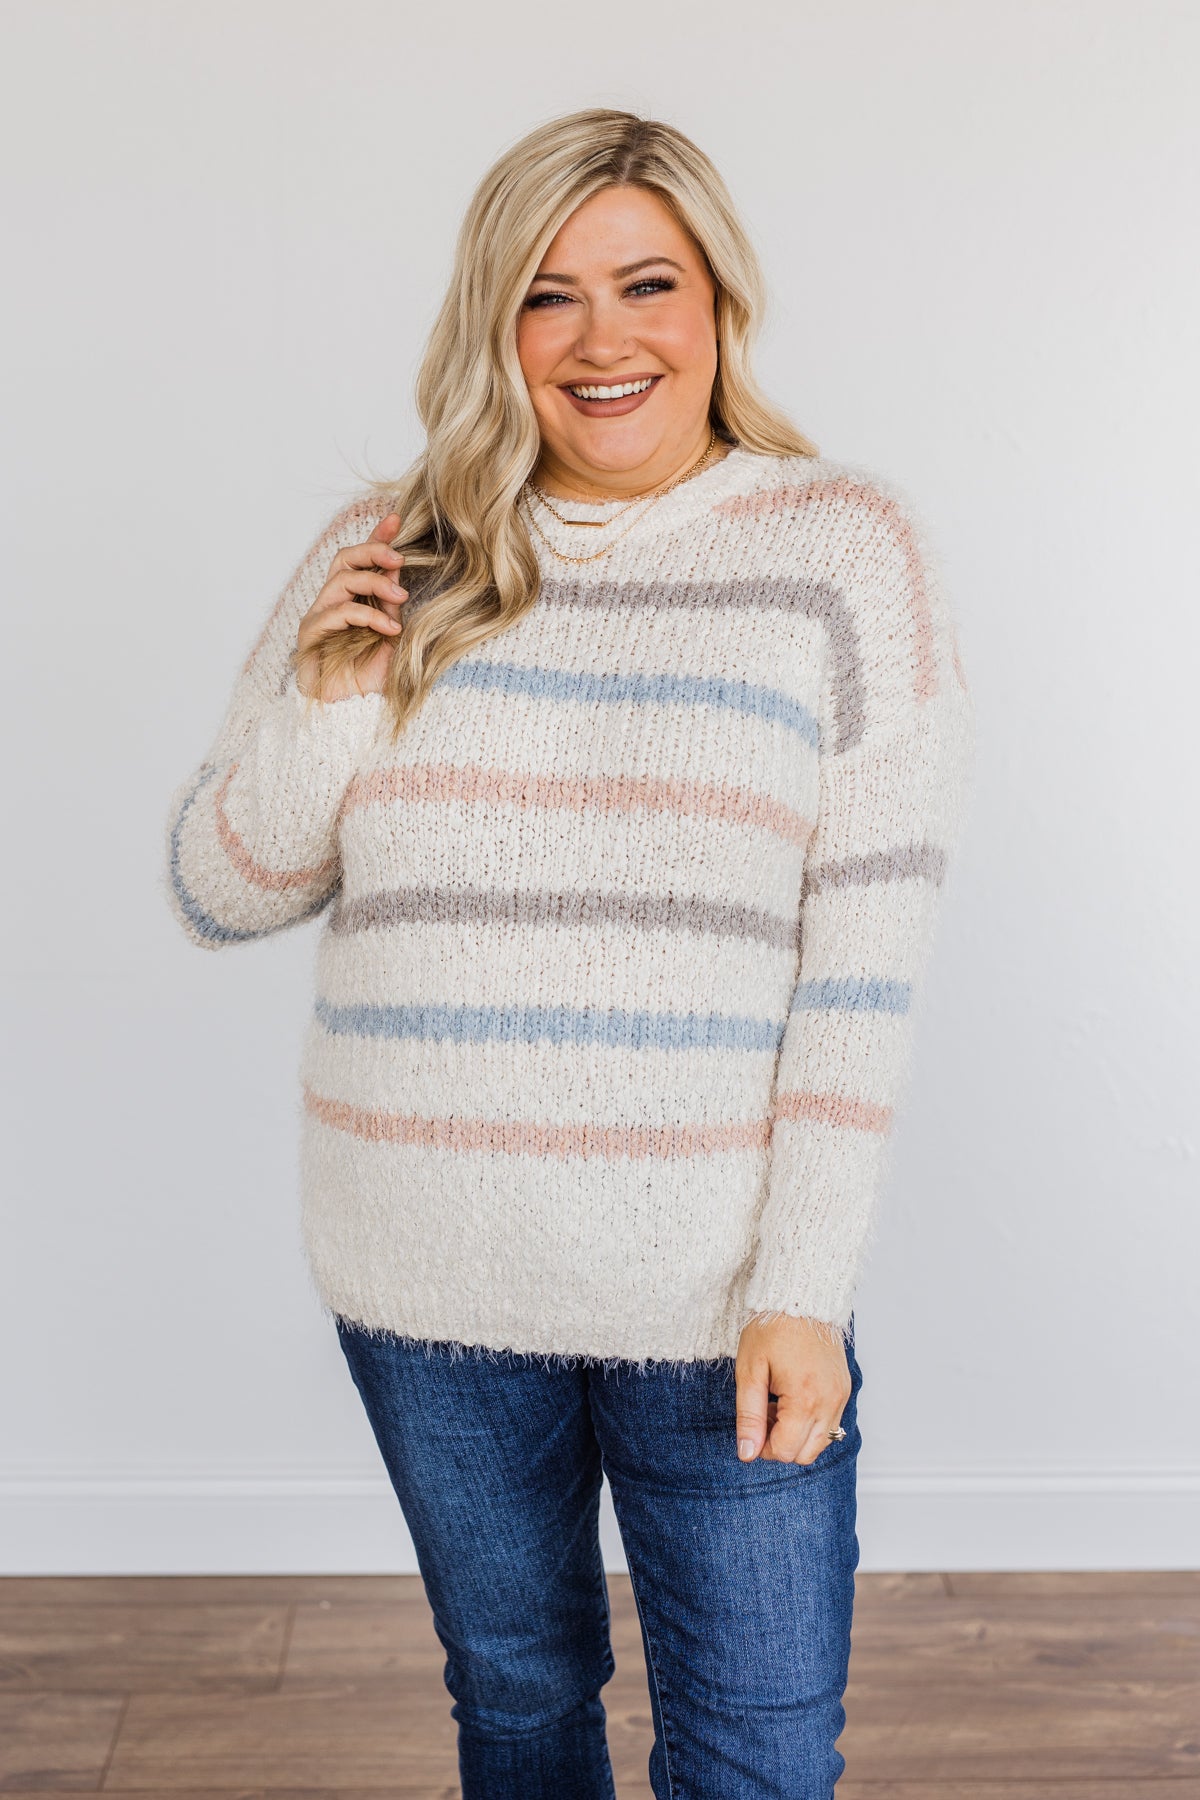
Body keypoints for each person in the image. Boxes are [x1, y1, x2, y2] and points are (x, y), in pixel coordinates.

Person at [164, 106, 975, 1800]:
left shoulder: (842, 551)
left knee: (758, 1755)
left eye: (646, 283)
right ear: (495, 324)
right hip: (427, 1280)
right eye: (548, 294)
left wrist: (803, 1289)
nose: (603, 338)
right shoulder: (393, 551)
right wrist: (329, 705)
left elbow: (860, 972)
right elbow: (220, 888)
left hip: (719, 1300)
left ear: (721, 302)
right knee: (522, 1709)